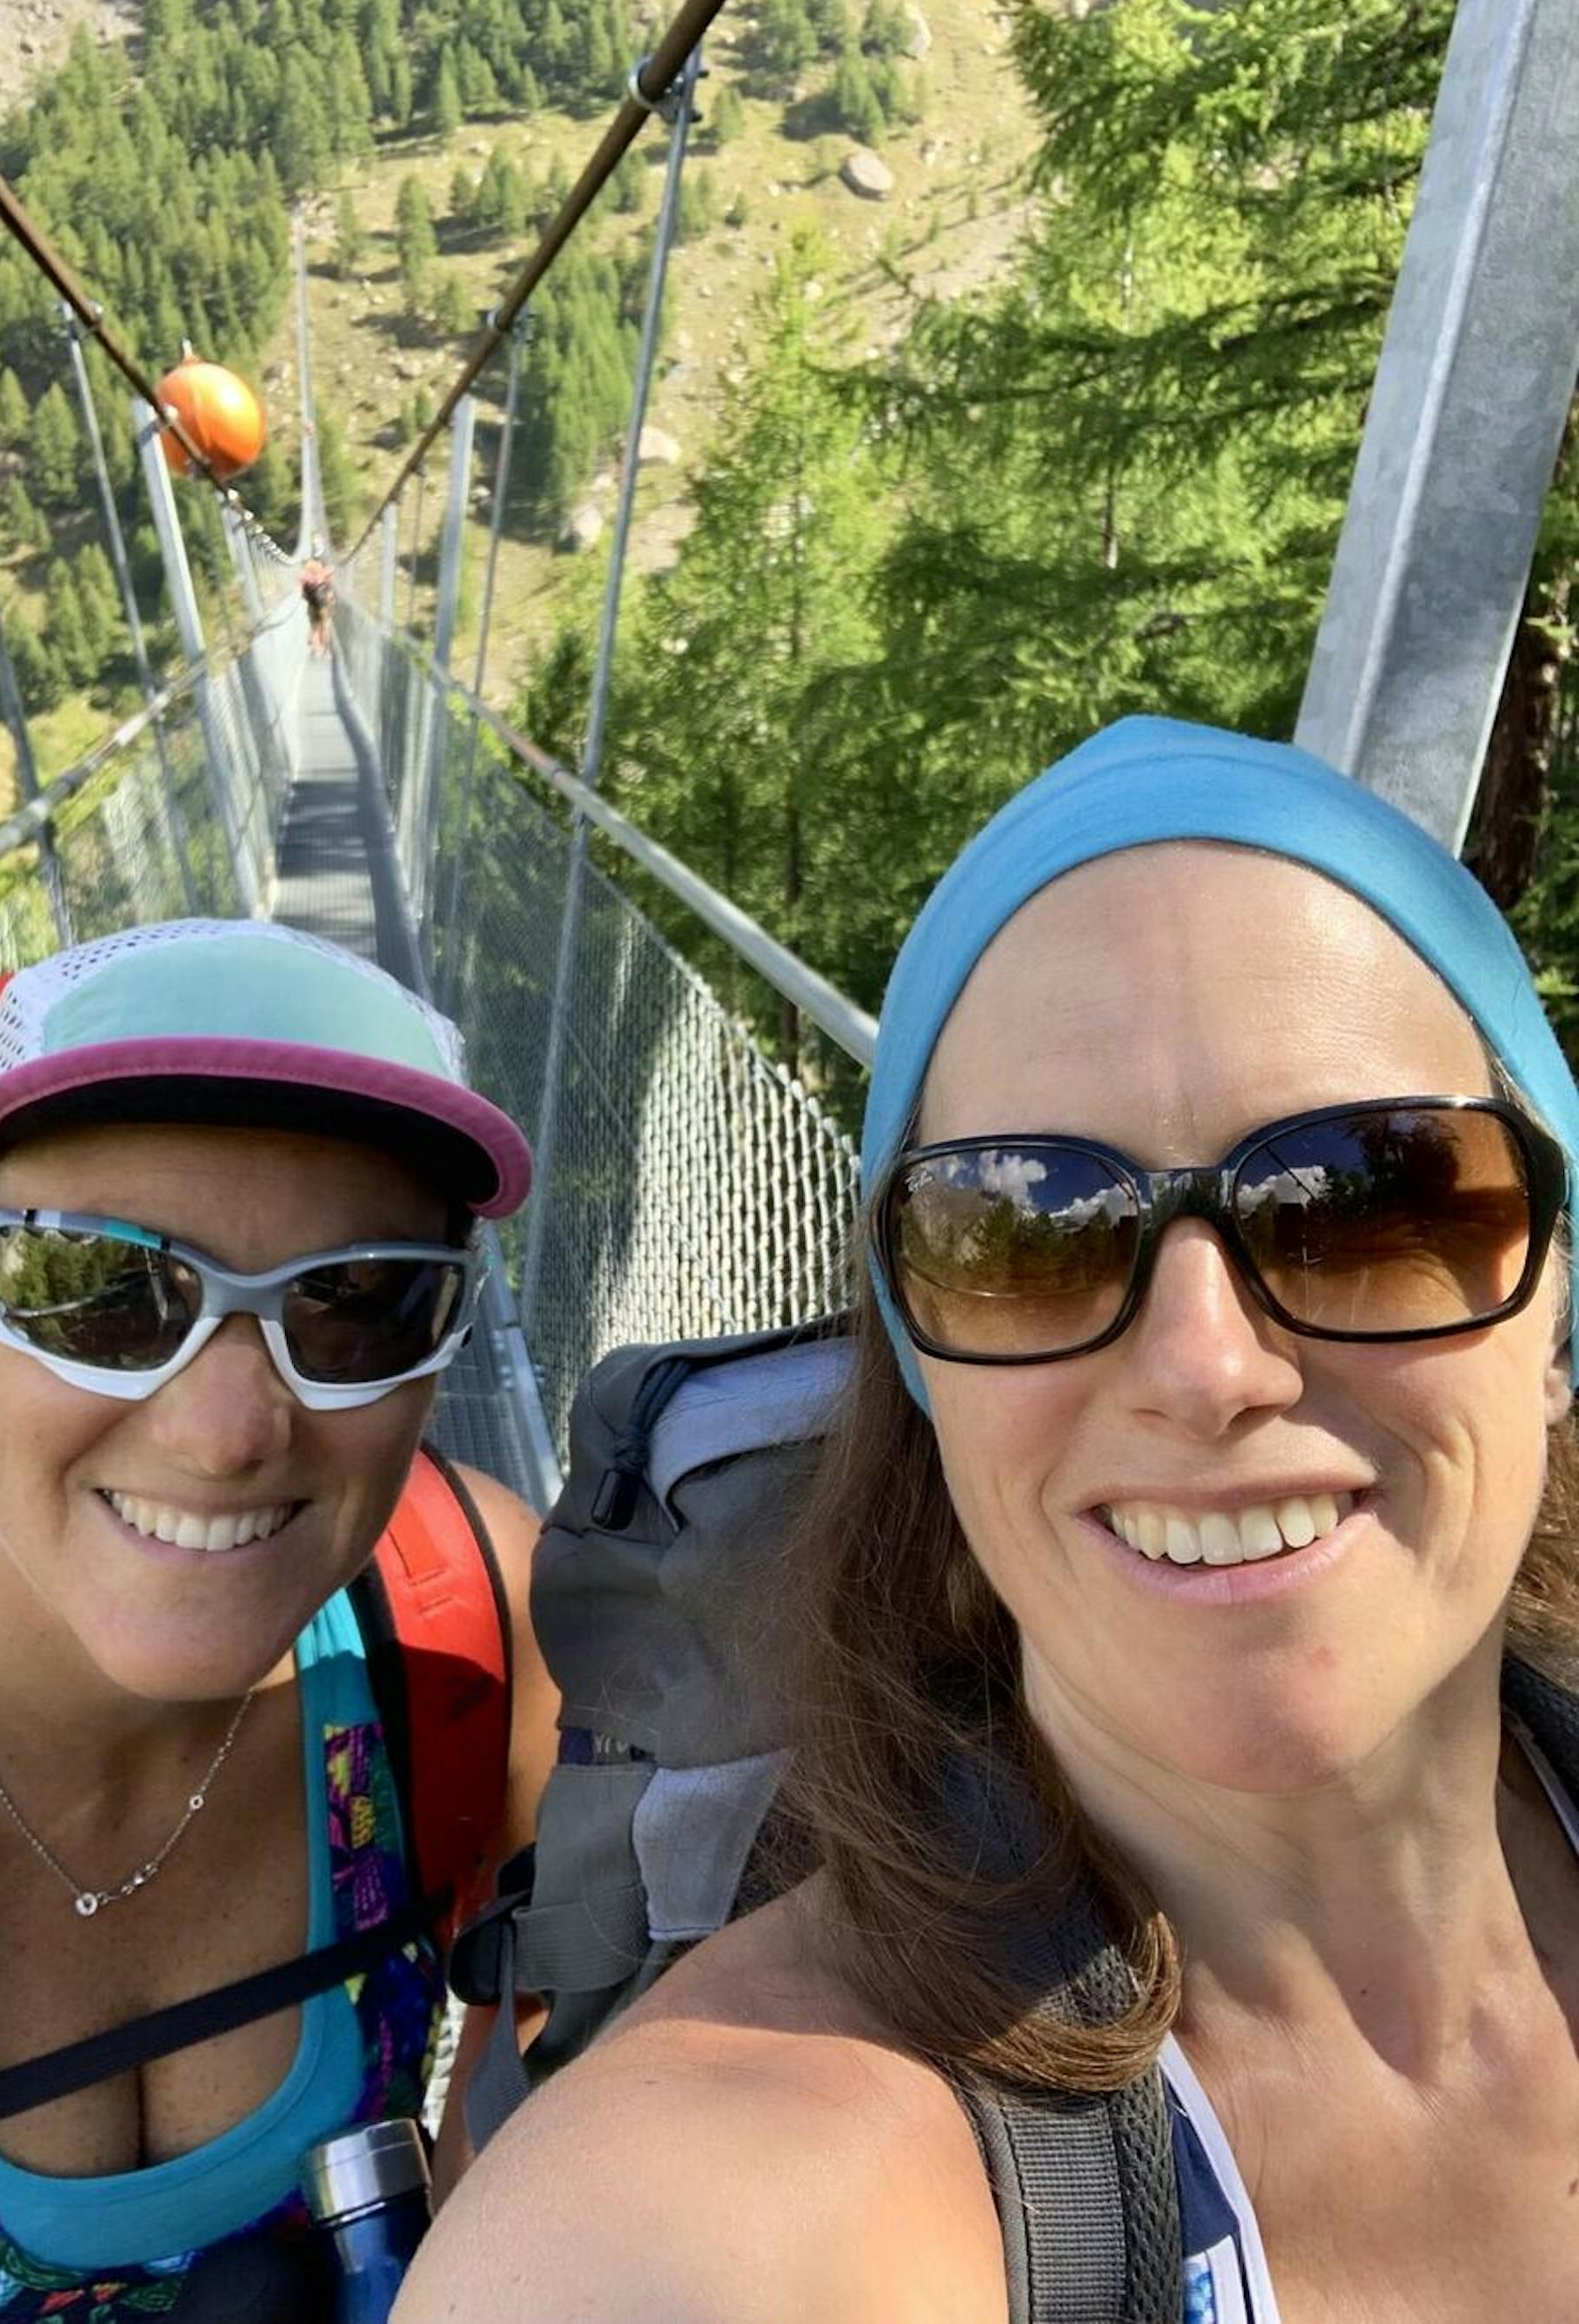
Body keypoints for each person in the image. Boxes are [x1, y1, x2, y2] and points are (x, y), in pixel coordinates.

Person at [399, 716, 1579, 2322]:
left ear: (1552, 1312)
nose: (1204, 1366)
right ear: (924, 1378)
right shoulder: (702, 2209)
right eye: (1023, 1228)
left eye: (1368, 1199)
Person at [0, 918, 558, 2321]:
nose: (229, 1432)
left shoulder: (478, 1636)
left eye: (358, 1306)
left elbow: (524, 2184)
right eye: (103, 1290)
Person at [302, 537, 336, 657]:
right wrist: (331, 599)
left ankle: (316, 649)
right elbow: (330, 586)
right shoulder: (328, 567)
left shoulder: (308, 566)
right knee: (326, 624)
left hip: (313, 602)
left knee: (314, 625)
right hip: (324, 601)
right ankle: (326, 651)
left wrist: (307, 597)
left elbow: (303, 587)